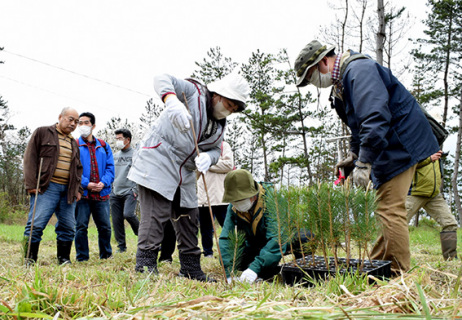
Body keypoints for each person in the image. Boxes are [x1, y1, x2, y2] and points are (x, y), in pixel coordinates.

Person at [294, 40, 439, 275]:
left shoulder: (359, 71)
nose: (313, 84)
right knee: (386, 207)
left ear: (322, 62)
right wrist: (354, 156)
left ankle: (398, 274)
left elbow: (374, 117)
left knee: (390, 209)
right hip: (388, 144)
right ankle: (378, 264)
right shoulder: (342, 83)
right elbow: (358, 126)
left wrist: (365, 161)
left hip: (401, 142)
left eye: (310, 77)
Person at [127, 71, 250, 282]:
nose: (228, 112)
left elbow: (215, 150)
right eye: (228, 105)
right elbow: (161, 78)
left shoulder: (219, 126)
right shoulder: (194, 93)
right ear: (218, 95)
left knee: (189, 216)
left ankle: (191, 269)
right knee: (156, 214)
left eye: (233, 110)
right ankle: (145, 266)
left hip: (184, 170)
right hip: (159, 158)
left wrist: (209, 159)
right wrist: (171, 100)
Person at [219, 169, 315, 284]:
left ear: (253, 194)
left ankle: (300, 269)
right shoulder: (233, 207)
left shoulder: (272, 199)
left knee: (306, 237)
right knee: (242, 260)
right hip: (256, 245)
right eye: (234, 200)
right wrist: (229, 272)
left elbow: (277, 239)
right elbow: (226, 238)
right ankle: (268, 269)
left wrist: (254, 268)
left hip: (284, 240)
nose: (237, 203)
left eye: (241, 199)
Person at [23, 107, 83, 265]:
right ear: (60, 117)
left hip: (68, 191)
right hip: (46, 188)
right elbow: (30, 158)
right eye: (70, 119)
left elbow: (78, 168)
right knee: (36, 224)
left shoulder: (73, 143)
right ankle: (29, 259)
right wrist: (31, 184)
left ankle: (63, 259)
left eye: (76, 122)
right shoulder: (42, 132)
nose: (73, 124)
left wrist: (79, 190)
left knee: (69, 226)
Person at [75, 112, 115, 261]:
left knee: (105, 227)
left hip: (102, 193)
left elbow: (111, 167)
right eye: (80, 123)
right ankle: (82, 257)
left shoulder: (104, 145)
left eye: (86, 122)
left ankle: (106, 255)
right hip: (83, 194)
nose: (83, 126)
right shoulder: (75, 144)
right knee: (80, 227)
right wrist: (87, 184)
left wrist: (103, 182)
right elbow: (73, 169)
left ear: (93, 125)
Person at [406, 151, 458, 260]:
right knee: (397, 224)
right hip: (414, 193)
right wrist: (429, 159)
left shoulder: (434, 144)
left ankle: (451, 259)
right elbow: (407, 164)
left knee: (450, 223)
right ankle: (390, 259)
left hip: (434, 195)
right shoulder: (416, 144)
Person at [197, 141, 234, 258]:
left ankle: (232, 251)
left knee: (227, 227)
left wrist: (208, 164)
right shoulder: (199, 147)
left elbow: (228, 165)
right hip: (204, 196)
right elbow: (195, 168)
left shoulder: (224, 146)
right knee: (205, 228)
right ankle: (208, 253)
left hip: (221, 196)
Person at [110, 128, 140, 253]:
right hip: (115, 192)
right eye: (116, 139)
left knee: (128, 214)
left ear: (128, 140)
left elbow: (140, 172)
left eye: (120, 138)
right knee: (116, 220)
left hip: (130, 191)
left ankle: (145, 238)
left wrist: (135, 189)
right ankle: (121, 247)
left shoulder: (136, 154)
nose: (118, 141)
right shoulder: (114, 156)